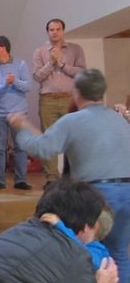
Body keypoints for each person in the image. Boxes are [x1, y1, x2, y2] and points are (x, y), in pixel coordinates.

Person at [9, 68, 130, 283]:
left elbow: (43, 149)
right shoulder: (118, 119)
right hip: (127, 190)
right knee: (119, 253)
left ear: (76, 93)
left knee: (88, 252)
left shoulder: (73, 121)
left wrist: (22, 126)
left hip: (97, 195)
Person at [32, 18, 86, 185]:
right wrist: (51, 62)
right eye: (51, 30)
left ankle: (74, 176)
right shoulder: (40, 51)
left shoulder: (75, 49)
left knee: (73, 137)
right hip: (47, 99)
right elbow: (37, 76)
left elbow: (82, 72)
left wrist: (61, 64)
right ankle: (52, 178)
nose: (55, 32)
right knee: (49, 138)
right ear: (47, 32)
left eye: (58, 29)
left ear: (63, 31)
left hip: (70, 98)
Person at [40, 209, 119, 283]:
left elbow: (84, 255)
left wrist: (61, 227)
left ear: (91, 227)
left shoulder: (99, 252)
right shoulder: (93, 249)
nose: (74, 229)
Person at [0, 36, 32, 191]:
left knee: (21, 146)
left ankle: (21, 180)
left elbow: (28, 86)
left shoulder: (20, 64)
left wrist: (14, 81)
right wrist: (5, 85)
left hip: (19, 113)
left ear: (3, 48)